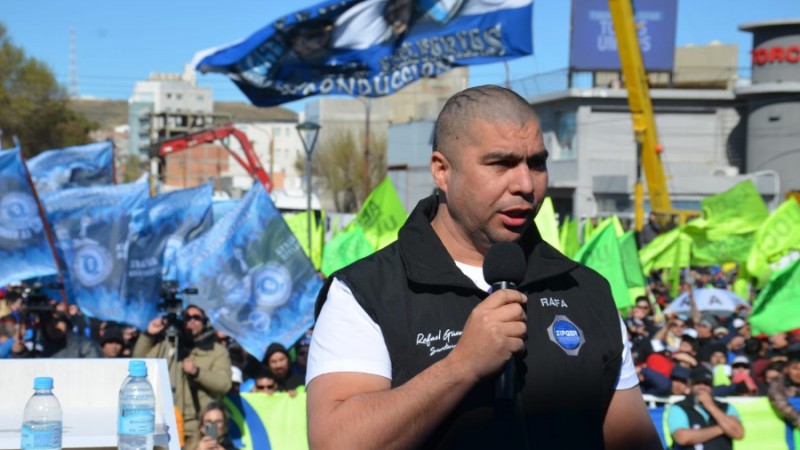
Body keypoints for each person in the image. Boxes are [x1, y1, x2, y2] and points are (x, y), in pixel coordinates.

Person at [306, 85, 662, 449]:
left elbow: (633, 439)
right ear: (442, 171)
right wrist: (461, 366)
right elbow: (337, 443)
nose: (525, 184)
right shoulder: (367, 291)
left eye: (537, 163)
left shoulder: (586, 290)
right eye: (502, 163)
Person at [133, 304, 232, 442]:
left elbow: (224, 384)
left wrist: (198, 372)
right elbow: (137, 364)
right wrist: (149, 335)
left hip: (203, 424)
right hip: (168, 422)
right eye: (187, 317)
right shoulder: (168, 345)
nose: (191, 321)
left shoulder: (217, 351)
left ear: (205, 322)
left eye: (196, 317)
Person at [666, 366, 744, 449]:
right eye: (697, 383)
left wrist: (711, 406)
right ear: (690, 385)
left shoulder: (726, 407)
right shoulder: (679, 407)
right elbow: (682, 438)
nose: (702, 387)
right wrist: (723, 428)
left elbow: (738, 433)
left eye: (706, 384)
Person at [767, 353, 800, 429]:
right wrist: (797, 418)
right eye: (795, 368)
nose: (799, 373)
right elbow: (779, 402)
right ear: (786, 369)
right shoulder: (777, 383)